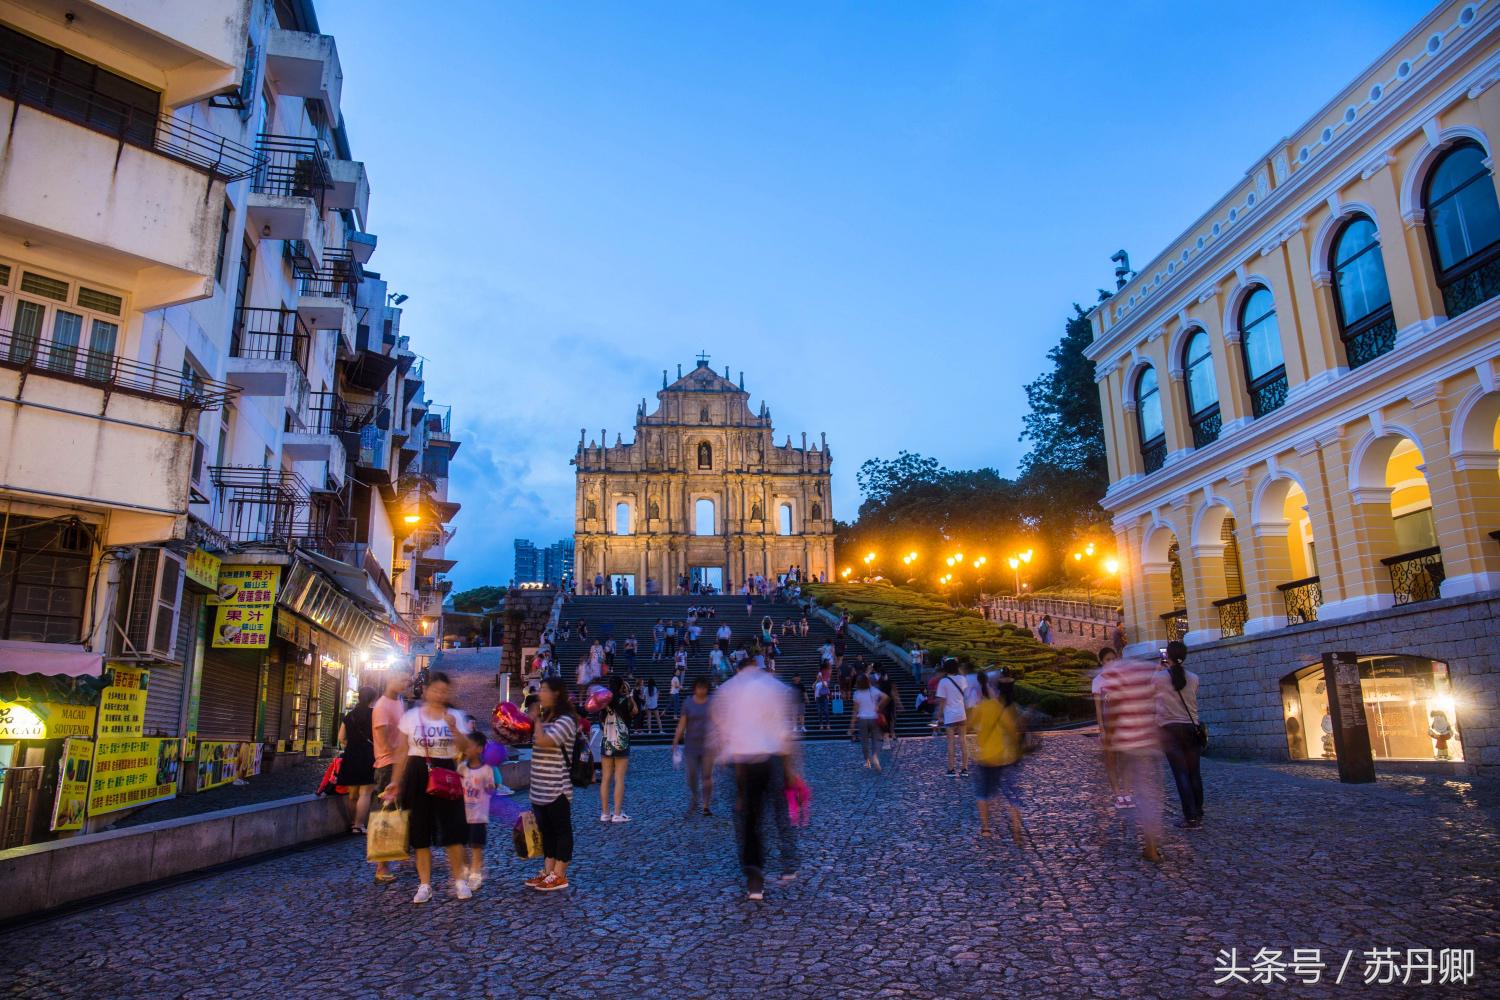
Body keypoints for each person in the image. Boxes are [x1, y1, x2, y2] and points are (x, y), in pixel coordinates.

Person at [712, 651, 800, 901]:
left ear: (738, 668)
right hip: (770, 757)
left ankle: (754, 875)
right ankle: (788, 862)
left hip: (740, 761)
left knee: (748, 818)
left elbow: (721, 730)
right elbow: (785, 731)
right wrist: (790, 768)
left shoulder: (728, 690)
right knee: (778, 810)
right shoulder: (774, 687)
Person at [379, 672, 471, 903]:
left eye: (444, 690)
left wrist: (454, 729)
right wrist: (395, 781)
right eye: (436, 690)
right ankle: (424, 884)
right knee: (420, 831)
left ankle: (459, 881)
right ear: (426, 691)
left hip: (447, 773)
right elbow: (402, 752)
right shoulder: (411, 717)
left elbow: (467, 750)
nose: (440, 694)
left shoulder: (456, 716)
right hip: (418, 773)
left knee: (453, 830)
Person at [1097, 653, 1165, 863]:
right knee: (1150, 794)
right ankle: (1151, 845)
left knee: (1144, 794)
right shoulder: (1145, 680)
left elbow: (1114, 713)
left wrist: (1108, 738)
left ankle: (1150, 847)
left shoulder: (1119, 681)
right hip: (1148, 743)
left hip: (1129, 743)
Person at [526, 677, 580, 891]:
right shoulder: (547, 718)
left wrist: (535, 720)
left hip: (557, 787)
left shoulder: (566, 720)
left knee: (561, 830)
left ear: (556, 693)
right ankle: (548, 871)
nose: (540, 693)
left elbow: (545, 741)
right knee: (546, 832)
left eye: (545, 690)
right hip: (539, 787)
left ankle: (560, 873)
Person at [970, 673, 1025, 846]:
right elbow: (1012, 732)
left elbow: (971, 725)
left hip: (985, 757)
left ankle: (985, 828)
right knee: (1012, 795)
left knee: (982, 793)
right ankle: (1016, 829)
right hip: (1005, 757)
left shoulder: (982, 707)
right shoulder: (1003, 708)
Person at [1156, 640, 1203, 830]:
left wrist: (1158, 669)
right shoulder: (1194, 678)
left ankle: (1190, 817)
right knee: (1194, 773)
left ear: (1167, 655)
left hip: (1169, 730)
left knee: (1180, 773)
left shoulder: (1159, 678)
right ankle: (1198, 812)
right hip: (1191, 729)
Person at [370, 675, 406, 884]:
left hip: (398, 764)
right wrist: (402, 748)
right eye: (401, 679)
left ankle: (395, 857)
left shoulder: (399, 701)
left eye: (407, 680)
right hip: (387, 766)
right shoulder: (382, 706)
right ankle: (381, 867)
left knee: (397, 813)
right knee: (386, 815)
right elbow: (384, 740)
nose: (405, 683)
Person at [456, 730, 495, 890]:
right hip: (463, 814)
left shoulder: (487, 770)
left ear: (479, 749)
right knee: (461, 843)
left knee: (476, 846)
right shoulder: (462, 768)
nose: (466, 748)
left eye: (469, 746)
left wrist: (491, 788)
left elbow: (491, 789)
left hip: (479, 815)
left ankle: (475, 874)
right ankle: (466, 867)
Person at [1092, 647, 1130, 809]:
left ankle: (1127, 793)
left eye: (1113, 659)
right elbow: (1098, 708)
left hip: (1123, 724)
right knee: (1111, 761)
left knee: (1125, 760)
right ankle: (1117, 794)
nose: (1111, 662)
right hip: (1109, 726)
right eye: (1108, 659)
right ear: (1101, 661)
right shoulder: (1098, 681)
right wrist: (1101, 729)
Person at [671, 676, 715, 816]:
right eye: (699, 687)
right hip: (691, 745)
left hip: (708, 745)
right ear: (695, 688)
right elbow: (682, 723)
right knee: (691, 775)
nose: (701, 690)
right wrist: (676, 739)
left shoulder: (712, 703)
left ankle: (706, 805)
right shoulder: (688, 703)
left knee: (707, 776)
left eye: (704, 687)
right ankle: (695, 796)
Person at [337, 686, 377, 834]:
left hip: (351, 754)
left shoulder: (349, 716)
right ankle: (359, 825)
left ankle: (353, 822)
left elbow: (341, 738)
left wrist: (351, 745)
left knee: (353, 794)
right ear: (372, 699)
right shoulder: (374, 714)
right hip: (368, 754)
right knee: (365, 792)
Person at [598, 676, 637, 822]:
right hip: (622, 742)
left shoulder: (604, 702)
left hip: (607, 741)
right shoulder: (625, 700)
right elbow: (635, 712)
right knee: (619, 778)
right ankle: (617, 813)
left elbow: (601, 720)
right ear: (621, 686)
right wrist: (629, 695)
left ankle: (605, 813)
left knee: (605, 778)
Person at [848, 675, 888, 771]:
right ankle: (875, 756)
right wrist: (878, 706)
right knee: (877, 739)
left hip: (862, 719)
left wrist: (852, 725)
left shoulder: (857, 693)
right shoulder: (873, 690)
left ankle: (867, 761)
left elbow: (855, 710)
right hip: (874, 718)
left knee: (864, 742)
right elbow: (886, 697)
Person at [936, 663, 970, 777]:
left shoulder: (943, 682)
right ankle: (965, 769)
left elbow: (942, 701)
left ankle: (951, 769)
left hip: (950, 715)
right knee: (963, 741)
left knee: (951, 743)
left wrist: (939, 715)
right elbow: (966, 695)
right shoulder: (962, 679)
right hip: (961, 714)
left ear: (945, 670)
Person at [877, 669, 902, 749]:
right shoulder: (891, 683)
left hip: (883, 703)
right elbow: (894, 693)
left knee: (883, 720)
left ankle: (884, 736)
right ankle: (892, 734)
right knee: (890, 719)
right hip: (890, 702)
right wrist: (899, 704)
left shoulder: (879, 684)